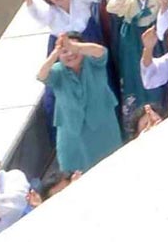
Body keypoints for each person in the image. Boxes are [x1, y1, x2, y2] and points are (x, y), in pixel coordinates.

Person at [37, 33, 120, 174]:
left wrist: (74, 46)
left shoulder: (94, 63)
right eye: (64, 52)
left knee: (112, 167)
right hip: (72, 134)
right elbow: (41, 75)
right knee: (75, 175)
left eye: (73, 49)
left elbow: (100, 51)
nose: (70, 54)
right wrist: (56, 52)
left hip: (103, 127)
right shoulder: (58, 72)